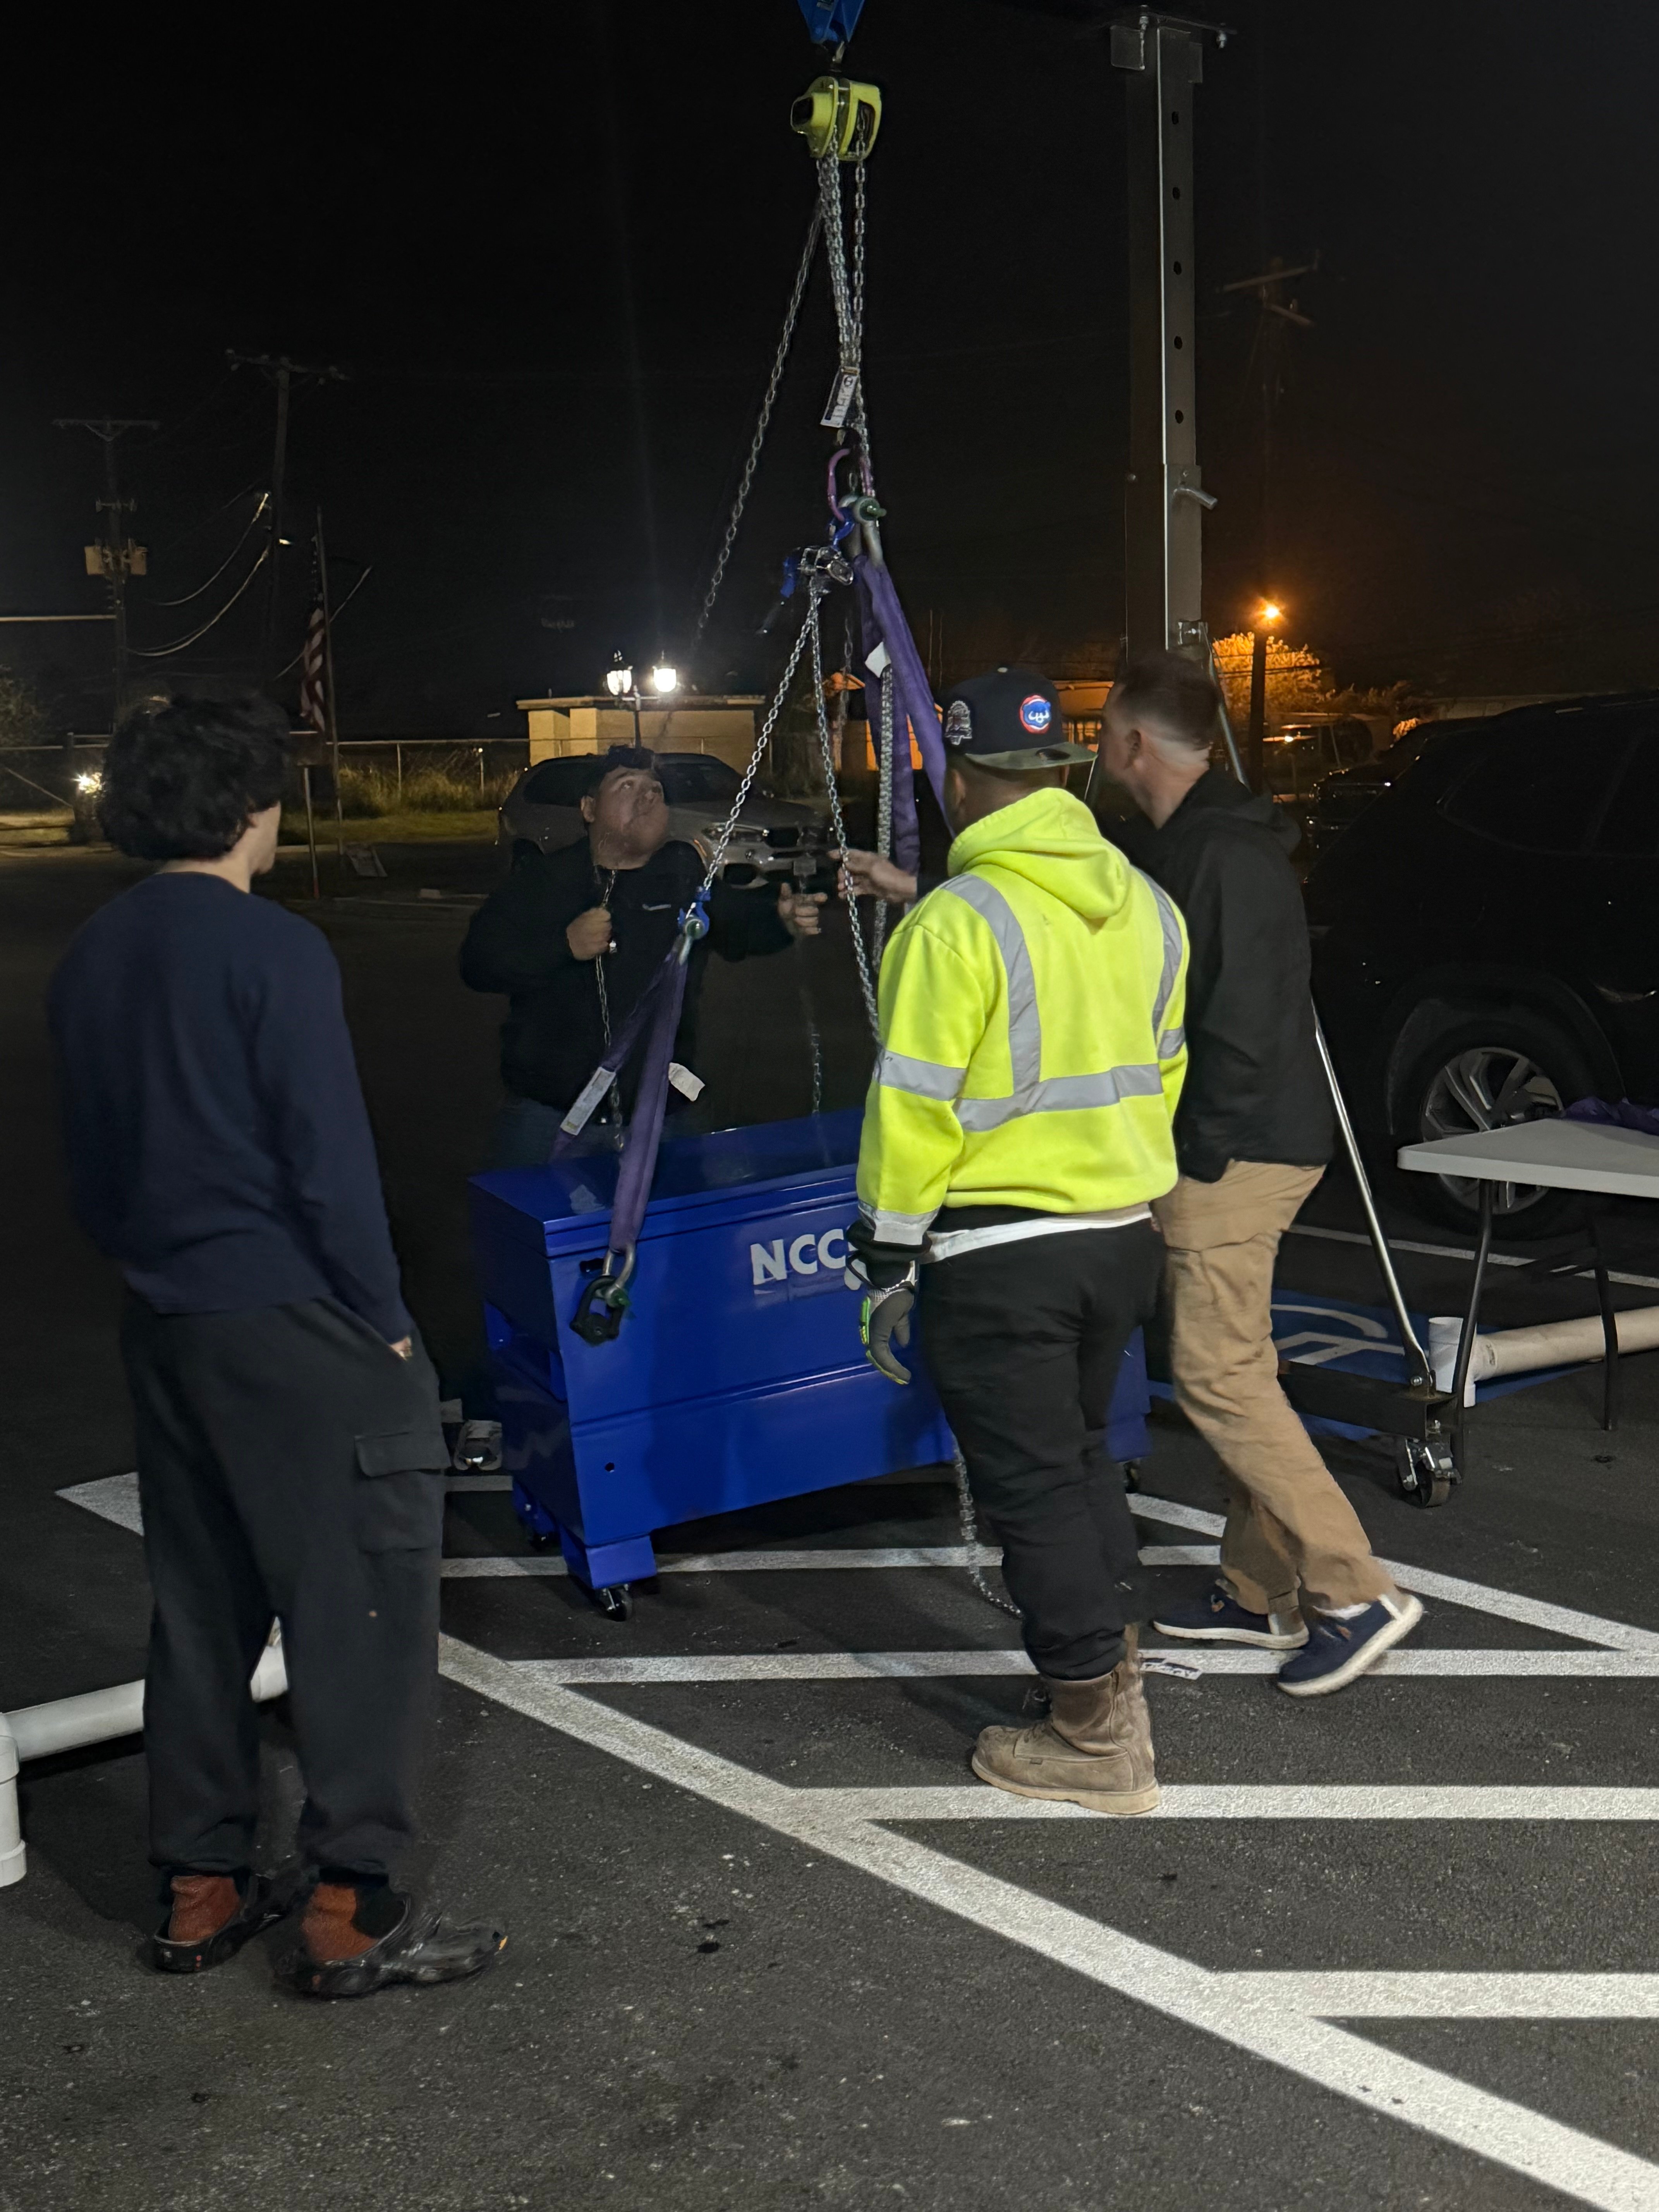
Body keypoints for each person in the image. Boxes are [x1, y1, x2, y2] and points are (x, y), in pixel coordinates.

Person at [48, 694, 503, 1996]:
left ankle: (199, 1886)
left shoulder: (93, 955)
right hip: (300, 1322)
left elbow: (90, 1166)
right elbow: (328, 1166)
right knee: (361, 1607)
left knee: (200, 1608)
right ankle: (353, 1907)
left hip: (170, 1324)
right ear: (256, 807)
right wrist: (391, 1324)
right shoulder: (273, 951)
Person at [847, 666, 1188, 1813]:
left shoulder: (957, 921)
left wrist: (887, 1258)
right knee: (1083, 1459)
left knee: (1034, 1486)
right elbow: (1167, 1071)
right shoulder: (1148, 904)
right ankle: (1112, 1683)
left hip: (1002, 1252)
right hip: (1121, 1236)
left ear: (954, 774)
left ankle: (1098, 1740)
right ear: (1064, 771)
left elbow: (913, 1105)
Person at [1096, 650, 1422, 1693]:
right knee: (1242, 1365)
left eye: (1102, 730)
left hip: (1235, 1148)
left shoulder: (1220, 859)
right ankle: (1256, 1590)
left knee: (1215, 1374)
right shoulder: (1201, 842)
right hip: (1254, 1139)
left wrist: (1178, 1169)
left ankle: (1353, 1588)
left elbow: (1234, 1034)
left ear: (1135, 741)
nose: (1096, 747)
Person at [460, 747, 823, 1165]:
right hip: (549, 1114)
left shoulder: (682, 879)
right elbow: (478, 963)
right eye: (627, 786)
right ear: (589, 808)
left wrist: (783, 921)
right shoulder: (544, 881)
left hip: (663, 1114)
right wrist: (563, 947)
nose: (647, 796)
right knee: (535, 1226)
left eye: (655, 789)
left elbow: (735, 927)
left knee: (677, 1227)